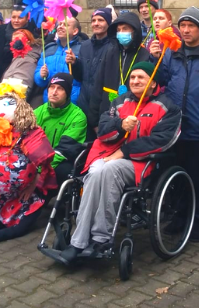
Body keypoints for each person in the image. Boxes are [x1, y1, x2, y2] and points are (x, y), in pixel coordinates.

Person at [56, 62, 181, 263]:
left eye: (141, 77)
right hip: (107, 155)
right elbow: (103, 130)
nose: (135, 81)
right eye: (132, 77)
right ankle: (80, 240)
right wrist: (121, 125)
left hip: (140, 163)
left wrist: (124, 152)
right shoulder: (120, 101)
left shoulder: (168, 108)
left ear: (153, 82)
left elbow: (162, 141)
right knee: (95, 172)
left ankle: (100, 238)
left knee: (110, 169)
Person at [151, 6, 199, 242]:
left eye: (191, 26)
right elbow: (163, 80)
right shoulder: (172, 50)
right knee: (175, 176)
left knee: (196, 177)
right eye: (183, 26)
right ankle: (178, 217)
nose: (186, 30)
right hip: (174, 127)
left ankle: (197, 222)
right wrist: (155, 59)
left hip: (198, 127)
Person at [0, 81, 57, 245]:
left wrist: (34, 184)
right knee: (6, 220)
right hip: (8, 195)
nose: (1, 109)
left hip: (32, 193)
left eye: (7, 104)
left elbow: (44, 160)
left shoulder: (29, 131)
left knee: (20, 227)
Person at [87, 12, 150, 133]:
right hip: (107, 114)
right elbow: (98, 85)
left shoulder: (144, 55)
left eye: (125, 29)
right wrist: (94, 121)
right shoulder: (110, 52)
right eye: (118, 30)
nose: (121, 32)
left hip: (133, 118)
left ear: (134, 31)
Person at [34, 73, 87, 184]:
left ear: (67, 93)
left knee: (62, 170)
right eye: (52, 87)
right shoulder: (38, 112)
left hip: (60, 160)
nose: (54, 92)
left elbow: (64, 150)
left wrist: (40, 169)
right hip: (37, 160)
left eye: (60, 88)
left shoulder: (78, 116)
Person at [76, 8, 112, 135]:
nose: (96, 23)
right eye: (93, 20)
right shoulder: (85, 46)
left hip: (103, 106)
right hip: (84, 104)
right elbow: (80, 76)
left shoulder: (114, 46)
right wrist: (74, 64)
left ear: (108, 23)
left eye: (100, 20)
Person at [34, 18, 82, 105]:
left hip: (73, 102)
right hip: (50, 103)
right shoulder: (48, 49)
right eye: (59, 24)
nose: (60, 27)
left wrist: (75, 63)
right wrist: (41, 76)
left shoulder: (83, 49)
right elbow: (39, 81)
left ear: (75, 31)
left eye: (65, 25)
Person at [0, 4, 37, 91]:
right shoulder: (1, 30)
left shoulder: (32, 34)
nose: (16, 20)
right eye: (13, 17)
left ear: (26, 19)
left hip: (19, 75)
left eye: (20, 18)